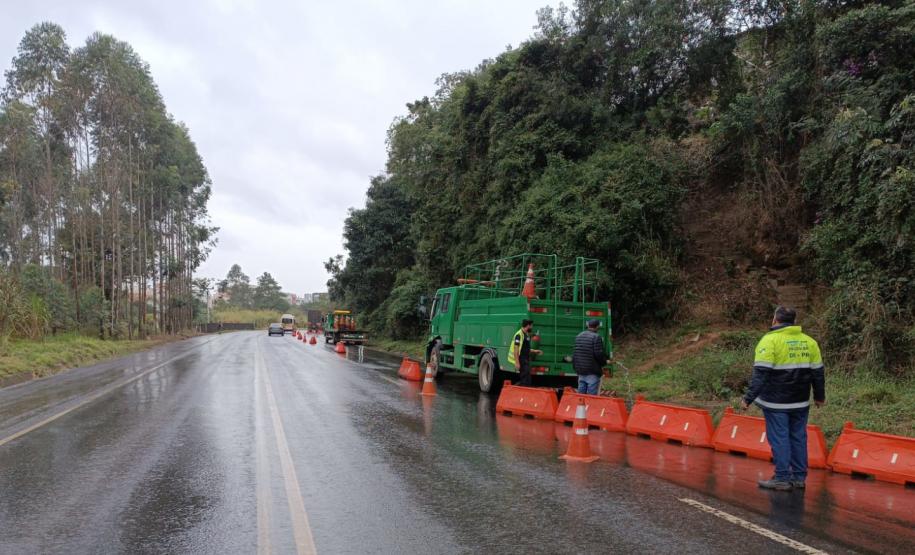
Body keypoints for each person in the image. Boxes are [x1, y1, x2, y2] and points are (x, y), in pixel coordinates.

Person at [741, 306, 826, 491]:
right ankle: (798, 477)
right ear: (793, 321)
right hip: (801, 401)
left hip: (776, 401)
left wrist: (748, 398)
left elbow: (761, 374)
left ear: (775, 320)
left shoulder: (770, 341)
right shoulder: (809, 342)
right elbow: (818, 373)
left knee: (780, 438)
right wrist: (819, 396)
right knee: (798, 437)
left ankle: (781, 477)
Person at [573, 319, 609, 395]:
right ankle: (590, 406)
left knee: (581, 395)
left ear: (588, 325)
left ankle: (580, 406)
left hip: (580, 370)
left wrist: (576, 367)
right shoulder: (596, 337)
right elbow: (598, 354)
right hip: (592, 371)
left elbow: (575, 353)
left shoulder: (579, 336)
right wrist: (604, 362)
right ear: (597, 326)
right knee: (591, 396)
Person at [507, 319, 542, 386]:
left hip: (525, 359)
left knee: (528, 379)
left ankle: (523, 392)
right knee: (525, 378)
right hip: (521, 359)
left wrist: (534, 351)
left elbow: (524, 348)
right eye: (531, 326)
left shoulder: (525, 335)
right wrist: (517, 363)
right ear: (528, 325)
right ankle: (516, 391)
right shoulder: (519, 335)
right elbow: (516, 349)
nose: (532, 327)